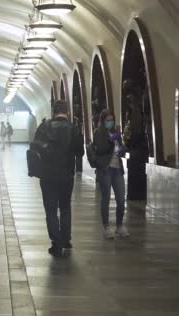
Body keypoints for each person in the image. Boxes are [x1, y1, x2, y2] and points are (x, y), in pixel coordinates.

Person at [33, 100, 85, 256]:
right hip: (66, 175)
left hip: (47, 175)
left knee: (50, 209)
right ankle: (66, 239)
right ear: (67, 112)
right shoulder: (74, 129)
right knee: (65, 207)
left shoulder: (44, 127)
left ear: (53, 112)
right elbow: (80, 152)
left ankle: (56, 242)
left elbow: (34, 146)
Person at [93, 109, 129, 239]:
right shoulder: (99, 133)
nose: (110, 122)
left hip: (117, 168)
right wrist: (110, 140)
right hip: (106, 169)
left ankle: (119, 226)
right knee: (106, 197)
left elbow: (122, 149)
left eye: (112, 120)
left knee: (121, 199)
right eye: (108, 120)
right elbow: (101, 149)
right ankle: (107, 226)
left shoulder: (116, 133)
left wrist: (123, 148)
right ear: (103, 121)